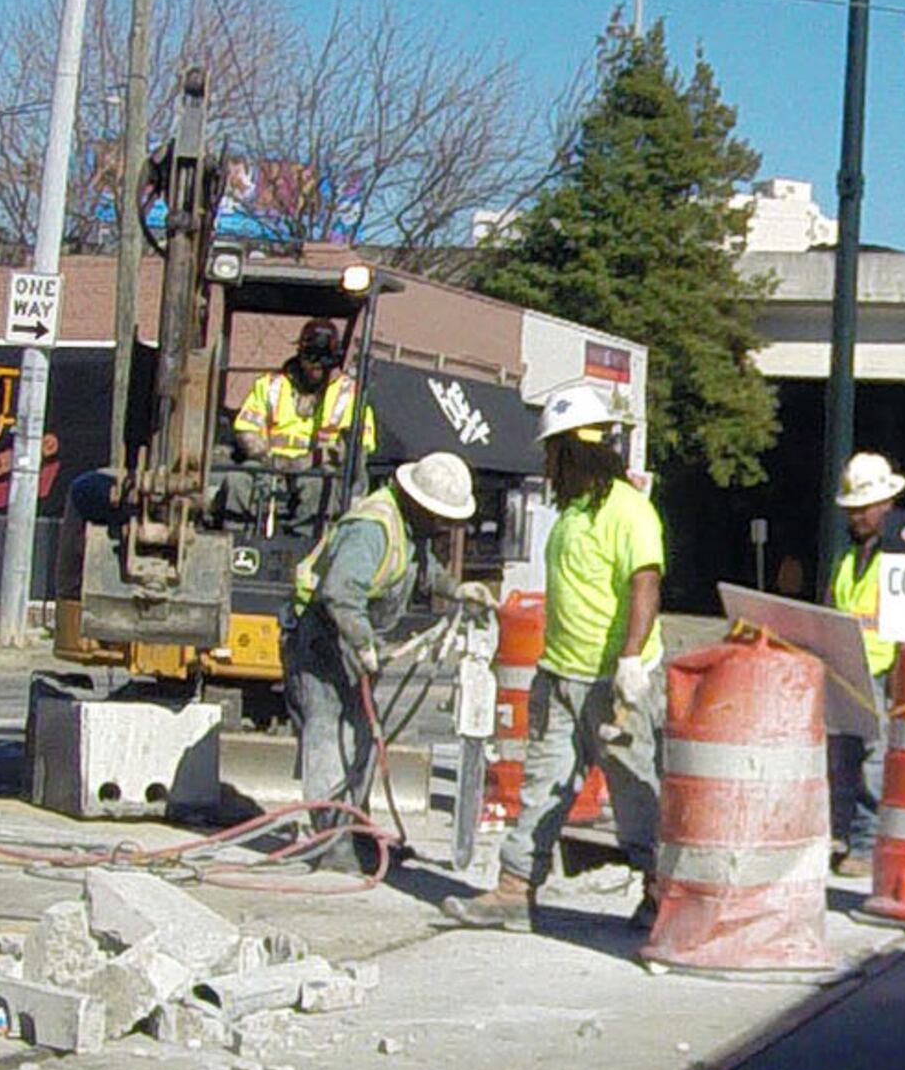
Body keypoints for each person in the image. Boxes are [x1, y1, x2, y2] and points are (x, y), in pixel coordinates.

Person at [448, 384, 665, 931]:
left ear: (572, 451)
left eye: (552, 452)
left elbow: (644, 582)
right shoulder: (570, 514)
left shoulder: (628, 511)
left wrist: (632, 660)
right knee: (542, 785)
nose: (546, 463)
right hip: (562, 674)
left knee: (637, 793)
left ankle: (663, 895)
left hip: (612, 682)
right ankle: (514, 890)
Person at [284, 450, 479, 872]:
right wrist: (363, 643)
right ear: (420, 503)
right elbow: (339, 591)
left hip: (348, 641)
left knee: (360, 737)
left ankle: (354, 830)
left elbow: (422, 570)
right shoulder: (372, 527)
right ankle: (329, 841)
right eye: (440, 515)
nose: (443, 525)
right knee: (328, 733)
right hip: (322, 639)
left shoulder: (409, 529)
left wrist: (457, 590)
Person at [821, 451, 905, 877]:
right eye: (852, 510)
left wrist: (897, 678)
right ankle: (840, 835)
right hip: (845, 671)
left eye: (864, 509)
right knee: (842, 759)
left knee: (873, 761)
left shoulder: (897, 562)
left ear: (886, 505)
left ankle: (866, 845)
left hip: (878, 670)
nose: (857, 517)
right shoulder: (848, 561)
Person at [231, 318, 365, 467]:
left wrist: (312, 460)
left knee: (316, 482)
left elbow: (358, 446)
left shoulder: (349, 394)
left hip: (319, 470)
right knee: (239, 479)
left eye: (324, 357)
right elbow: (247, 430)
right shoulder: (270, 385)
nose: (316, 364)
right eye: (311, 355)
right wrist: (268, 459)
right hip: (268, 467)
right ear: (300, 354)